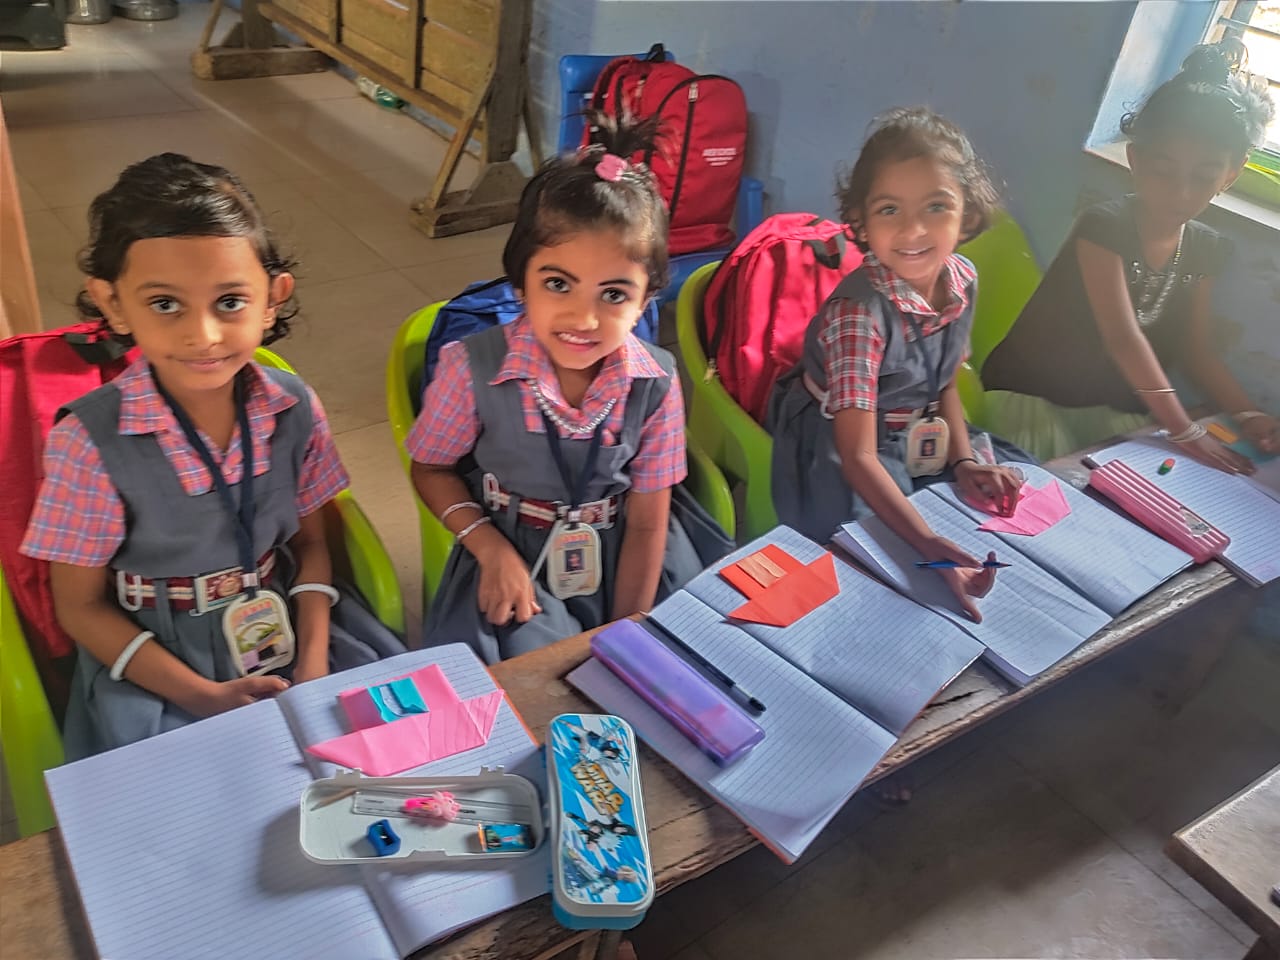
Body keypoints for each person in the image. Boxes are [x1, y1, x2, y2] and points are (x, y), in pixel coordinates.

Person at [20, 153, 404, 759]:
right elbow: (81, 606)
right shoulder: (88, 443)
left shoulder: (294, 407)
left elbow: (311, 544)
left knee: (394, 762)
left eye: (229, 301)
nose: (203, 335)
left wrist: (312, 662)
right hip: (161, 664)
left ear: (272, 298)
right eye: (165, 304)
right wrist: (201, 696)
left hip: (290, 620)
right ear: (113, 303)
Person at [407, 115, 732, 663]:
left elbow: (649, 519)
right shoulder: (471, 367)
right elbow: (431, 468)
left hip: (630, 548)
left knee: (676, 664)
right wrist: (490, 549)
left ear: (646, 301)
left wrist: (627, 631)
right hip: (514, 549)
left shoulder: (656, 381)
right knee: (530, 678)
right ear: (520, 283)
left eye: (614, 294)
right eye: (558, 284)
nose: (584, 318)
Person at [769, 107, 1032, 624]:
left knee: (1009, 482)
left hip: (917, 423)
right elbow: (857, 456)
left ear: (967, 214)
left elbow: (944, 382)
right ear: (862, 224)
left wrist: (964, 460)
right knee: (874, 561)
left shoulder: (962, 278)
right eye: (889, 209)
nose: (913, 229)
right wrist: (927, 543)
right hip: (840, 441)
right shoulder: (859, 316)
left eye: (936, 206)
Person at [982, 40, 1280, 465]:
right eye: (1164, 171)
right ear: (1136, 159)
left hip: (1115, 412)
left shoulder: (1207, 248)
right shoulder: (1105, 226)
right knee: (1052, 484)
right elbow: (1123, 339)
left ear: (1230, 175)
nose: (1181, 193)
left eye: (1202, 177)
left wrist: (1248, 414)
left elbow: (1196, 349)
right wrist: (1185, 430)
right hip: (1035, 399)